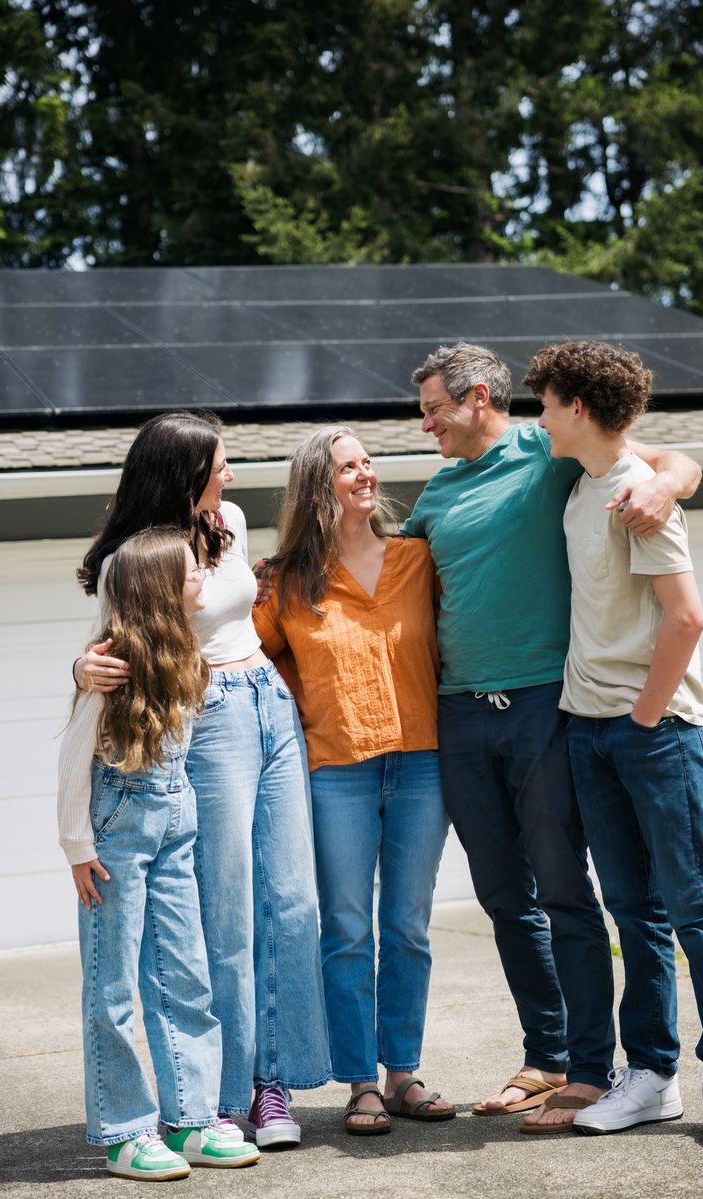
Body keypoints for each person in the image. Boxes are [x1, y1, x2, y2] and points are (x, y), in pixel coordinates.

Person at [402, 342, 703, 1128]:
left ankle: (590, 1068)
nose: (425, 422)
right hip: (461, 712)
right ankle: (544, 1056)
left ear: (475, 397)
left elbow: (668, 457)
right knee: (505, 895)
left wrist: (667, 485)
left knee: (566, 889)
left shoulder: (549, 447)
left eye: (433, 406)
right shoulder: (435, 493)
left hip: (543, 702)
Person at [72, 412, 330, 1149]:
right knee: (224, 913)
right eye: (221, 462)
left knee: (289, 898)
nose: (232, 474)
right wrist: (80, 667)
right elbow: (112, 652)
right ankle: (220, 1095)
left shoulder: (231, 521)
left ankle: (271, 1083)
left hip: (269, 704)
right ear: (184, 473)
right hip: (206, 715)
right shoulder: (140, 553)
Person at [527, 340, 703, 1146]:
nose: (540, 416)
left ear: (577, 408)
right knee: (636, 912)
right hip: (589, 732)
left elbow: (688, 617)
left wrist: (643, 719)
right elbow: (660, 454)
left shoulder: (638, 498)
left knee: (695, 907)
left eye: (547, 403)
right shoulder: (588, 487)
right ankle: (652, 1076)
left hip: (649, 735)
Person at [253, 427, 454, 1136]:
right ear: (318, 484)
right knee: (344, 928)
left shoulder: (416, 558)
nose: (366, 473)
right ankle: (361, 1081)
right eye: (348, 466)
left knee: (406, 924)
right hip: (335, 768)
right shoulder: (283, 581)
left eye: (368, 461)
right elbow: (239, 656)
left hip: (424, 761)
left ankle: (403, 1072)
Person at [58, 527, 260, 1179]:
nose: (204, 577)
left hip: (178, 819)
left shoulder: (186, 650)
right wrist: (76, 847)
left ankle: (195, 1119)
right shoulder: (113, 658)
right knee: (112, 981)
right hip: (116, 827)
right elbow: (73, 753)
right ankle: (124, 1132)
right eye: (193, 571)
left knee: (185, 971)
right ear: (161, 590)